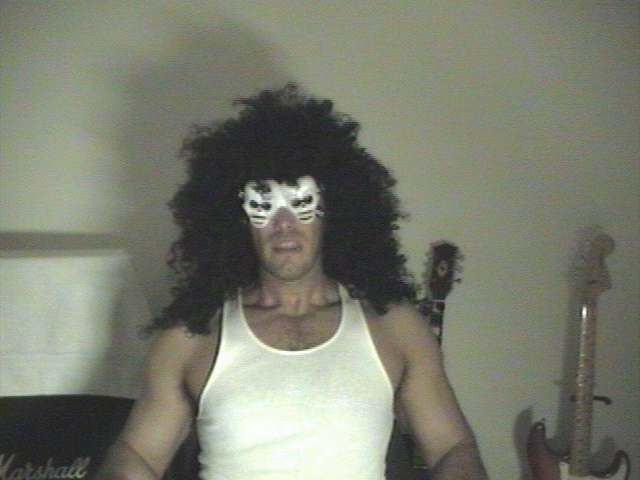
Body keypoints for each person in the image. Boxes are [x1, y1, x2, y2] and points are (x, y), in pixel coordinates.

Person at [94, 84, 488, 479]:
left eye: (300, 203)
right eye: (263, 205)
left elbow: (452, 448)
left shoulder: (395, 328)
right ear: (238, 218)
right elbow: (136, 453)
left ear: (332, 208)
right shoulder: (191, 336)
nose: (284, 224)